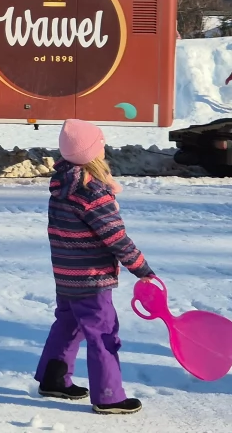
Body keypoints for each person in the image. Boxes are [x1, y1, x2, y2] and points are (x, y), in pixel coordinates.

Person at [36, 119, 153, 415]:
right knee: (103, 332)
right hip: (91, 279)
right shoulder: (92, 193)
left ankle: (54, 379)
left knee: (68, 324)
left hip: (66, 276)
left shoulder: (61, 186)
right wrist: (143, 270)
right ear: (93, 153)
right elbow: (117, 239)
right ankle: (109, 395)